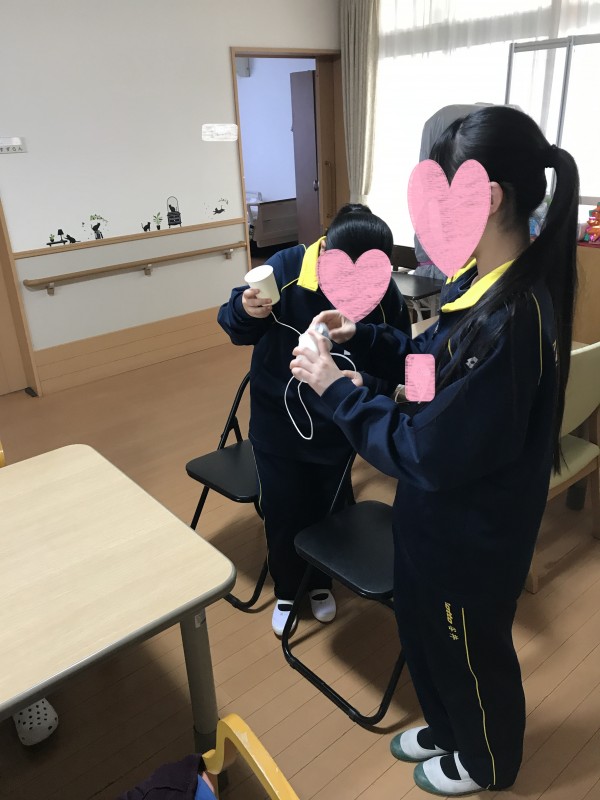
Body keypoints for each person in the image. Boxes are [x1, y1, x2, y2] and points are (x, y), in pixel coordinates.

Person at [290, 107, 578, 795]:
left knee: (469, 652)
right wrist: (365, 342)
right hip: (432, 520)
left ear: (490, 197)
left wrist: (338, 391)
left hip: (471, 537)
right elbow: (429, 376)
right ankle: (450, 729)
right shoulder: (477, 281)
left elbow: (425, 450)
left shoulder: (515, 317)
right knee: (425, 636)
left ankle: (487, 762)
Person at [218, 204, 411, 636]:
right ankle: (288, 589)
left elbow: (404, 360)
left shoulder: (384, 295)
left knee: (329, 508)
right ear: (324, 255)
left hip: (339, 428)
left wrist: (367, 383)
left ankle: (321, 583)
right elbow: (233, 326)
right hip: (276, 426)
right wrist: (246, 310)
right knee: (282, 510)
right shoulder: (286, 268)